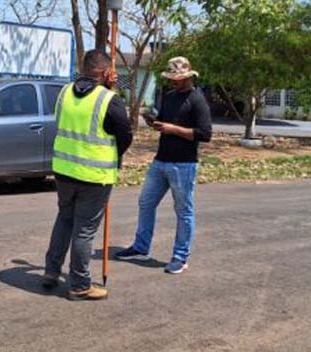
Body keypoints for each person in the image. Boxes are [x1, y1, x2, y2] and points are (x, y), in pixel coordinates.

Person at [43, 49, 133, 300]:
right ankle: (80, 284)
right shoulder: (108, 99)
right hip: (94, 175)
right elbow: (125, 136)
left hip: (64, 171)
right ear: (105, 72)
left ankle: (51, 271)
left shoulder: (64, 93)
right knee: (84, 230)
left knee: (64, 219)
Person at [115, 56, 212, 274]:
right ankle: (141, 246)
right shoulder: (168, 97)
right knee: (145, 202)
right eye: (172, 78)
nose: (174, 82)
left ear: (188, 77)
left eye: (178, 78)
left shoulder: (197, 99)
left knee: (183, 211)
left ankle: (180, 256)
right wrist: (153, 122)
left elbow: (205, 134)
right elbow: (165, 121)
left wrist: (172, 129)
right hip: (161, 160)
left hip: (184, 164)